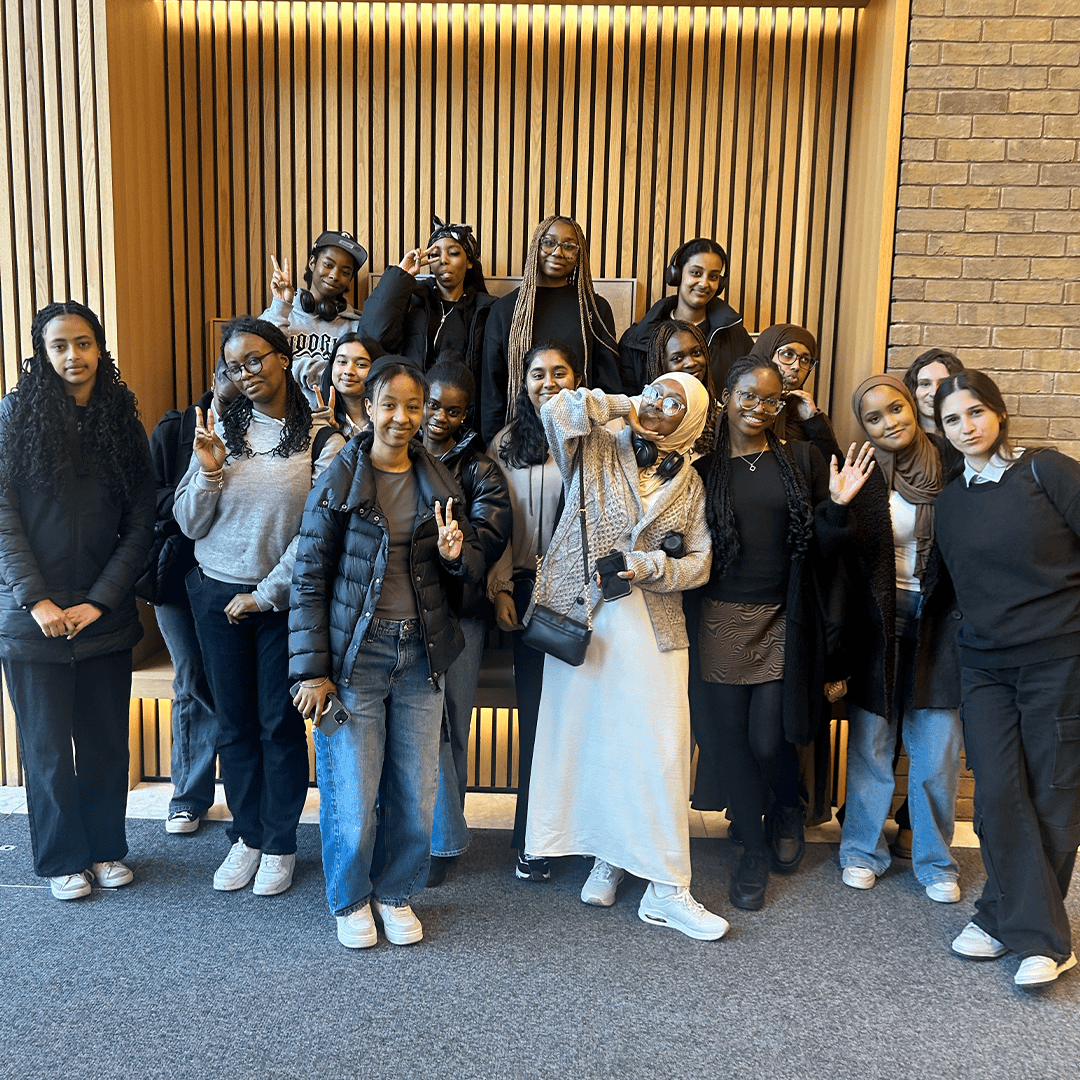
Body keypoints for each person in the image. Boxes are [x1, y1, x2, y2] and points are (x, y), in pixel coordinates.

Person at [523, 372, 730, 941]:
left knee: (659, 747)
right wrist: (629, 403)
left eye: (675, 402)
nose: (662, 406)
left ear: (691, 420)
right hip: (583, 617)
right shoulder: (595, 444)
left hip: (654, 627)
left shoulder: (689, 481)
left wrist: (651, 568)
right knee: (595, 739)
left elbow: (701, 563)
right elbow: (556, 410)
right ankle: (608, 857)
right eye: (657, 392)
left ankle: (668, 889)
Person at [289, 358, 484, 948]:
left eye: (414, 406)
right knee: (352, 786)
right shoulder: (339, 481)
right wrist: (312, 672)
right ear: (368, 408)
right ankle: (350, 900)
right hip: (357, 658)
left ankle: (396, 891)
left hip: (422, 657)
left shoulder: (441, 484)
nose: (402, 418)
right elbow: (309, 580)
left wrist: (456, 557)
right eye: (390, 405)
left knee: (417, 788)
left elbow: (464, 580)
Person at [691, 357, 873, 912]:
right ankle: (751, 847)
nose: (759, 408)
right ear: (726, 396)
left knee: (769, 739)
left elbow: (825, 549)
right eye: (748, 396)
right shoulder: (701, 468)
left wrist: (838, 507)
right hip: (720, 620)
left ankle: (782, 810)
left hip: (781, 619)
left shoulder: (800, 458)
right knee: (727, 742)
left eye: (771, 401)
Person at [174, 316, 344, 896]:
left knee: (278, 725)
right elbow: (190, 522)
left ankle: (279, 842)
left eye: (256, 359)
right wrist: (209, 471)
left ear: (282, 356)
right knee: (233, 723)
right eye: (233, 365)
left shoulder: (324, 438)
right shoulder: (218, 427)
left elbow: (317, 535)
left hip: (281, 601)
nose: (245, 373)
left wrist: (263, 593)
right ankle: (246, 835)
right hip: (215, 592)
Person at [0, 301, 155, 899]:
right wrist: (35, 599)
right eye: (59, 345)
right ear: (42, 351)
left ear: (99, 348)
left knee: (104, 743)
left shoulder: (121, 416)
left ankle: (106, 848)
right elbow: (4, 515)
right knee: (45, 749)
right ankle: (62, 858)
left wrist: (102, 599)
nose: (73, 356)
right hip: (28, 617)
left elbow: (143, 517)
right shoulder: (16, 415)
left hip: (102, 613)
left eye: (83, 343)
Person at [934, 369, 1080, 988]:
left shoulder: (1046, 471)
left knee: (1050, 792)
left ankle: (1018, 927)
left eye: (975, 413)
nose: (966, 428)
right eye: (951, 420)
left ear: (997, 413)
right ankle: (1023, 924)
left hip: (1059, 658)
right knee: (995, 796)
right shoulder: (951, 499)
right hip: (986, 666)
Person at [838, 374, 962, 904]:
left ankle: (936, 862)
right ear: (862, 427)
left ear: (913, 406)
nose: (889, 422)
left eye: (896, 408)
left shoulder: (954, 468)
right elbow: (839, 554)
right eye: (873, 417)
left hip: (941, 621)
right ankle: (861, 851)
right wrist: (839, 506)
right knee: (872, 745)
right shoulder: (862, 472)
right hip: (879, 621)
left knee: (937, 751)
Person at [486, 341, 582, 880]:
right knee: (538, 720)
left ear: (576, 377)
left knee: (584, 721)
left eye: (559, 372)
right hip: (527, 593)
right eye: (538, 374)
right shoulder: (507, 442)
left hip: (585, 596)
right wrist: (500, 587)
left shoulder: (598, 437)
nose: (548, 382)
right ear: (523, 383)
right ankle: (533, 840)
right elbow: (498, 524)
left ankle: (585, 834)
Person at [420, 357, 511, 886]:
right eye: (433, 404)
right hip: (405, 613)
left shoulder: (480, 469)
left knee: (453, 726)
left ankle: (443, 839)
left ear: (464, 415)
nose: (439, 417)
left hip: (460, 615)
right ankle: (434, 830)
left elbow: (485, 544)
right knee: (419, 729)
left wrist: (449, 551)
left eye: (452, 411)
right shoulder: (395, 455)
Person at [142, 356, 240, 834]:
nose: (238, 381)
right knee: (192, 678)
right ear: (216, 376)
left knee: (236, 682)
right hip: (178, 575)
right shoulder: (177, 427)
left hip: (238, 577)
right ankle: (190, 794)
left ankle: (245, 794)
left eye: (248, 370)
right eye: (230, 371)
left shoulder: (272, 436)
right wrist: (198, 488)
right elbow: (142, 496)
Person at [480, 215, 622, 444]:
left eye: (569, 247)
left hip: (581, 439)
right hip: (519, 441)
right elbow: (492, 389)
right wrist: (493, 447)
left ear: (579, 257)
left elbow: (608, 385)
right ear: (536, 246)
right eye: (549, 242)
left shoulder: (594, 308)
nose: (558, 252)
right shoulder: (505, 310)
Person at [358, 218, 495, 387]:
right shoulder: (412, 298)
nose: (443, 260)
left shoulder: (486, 309)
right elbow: (371, 337)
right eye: (435, 255)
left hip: (460, 408)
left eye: (453, 253)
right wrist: (402, 275)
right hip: (412, 400)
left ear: (469, 262)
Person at [618, 238, 752, 394]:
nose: (704, 283)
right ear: (677, 275)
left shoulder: (735, 336)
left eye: (713, 277)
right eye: (696, 273)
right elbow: (625, 400)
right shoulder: (636, 338)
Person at [260, 229, 368, 404]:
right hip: (282, 421)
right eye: (328, 265)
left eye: (345, 272)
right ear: (312, 262)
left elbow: (355, 378)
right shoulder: (281, 313)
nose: (334, 275)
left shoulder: (356, 326)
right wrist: (281, 306)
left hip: (331, 423)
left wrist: (288, 369)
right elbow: (260, 361)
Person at [748, 323, 840, 459]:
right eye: (787, 354)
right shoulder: (741, 407)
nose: (797, 366)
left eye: (805, 359)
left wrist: (813, 420)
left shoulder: (808, 414)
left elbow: (833, 468)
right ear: (766, 353)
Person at [644, 320, 720, 458]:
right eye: (677, 358)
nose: (691, 363)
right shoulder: (645, 411)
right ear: (662, 365)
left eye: (696, 353)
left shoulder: (723, 415)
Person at [317, 332, 384, 439]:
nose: (349, 371)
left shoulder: (389, 419)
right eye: (342, 362)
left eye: (361, 364)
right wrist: (330, 438)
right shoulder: (317, 419)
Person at [902, 348, 963, 434]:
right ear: (913, 389)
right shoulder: (900, 438)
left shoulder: (967, 436)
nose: (934, 393)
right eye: (925, 384)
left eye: (943, 384)